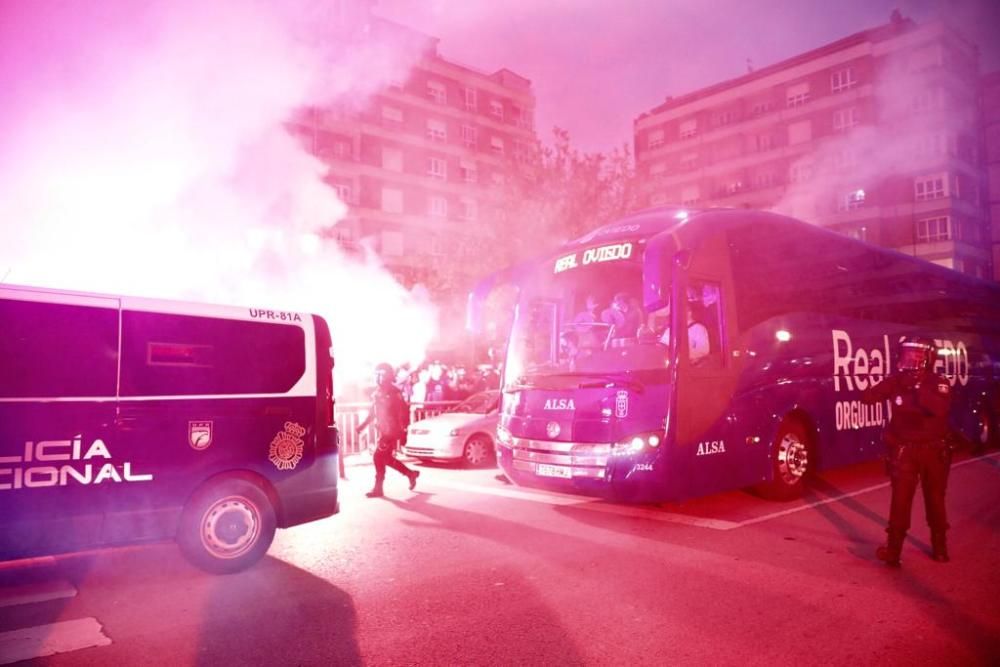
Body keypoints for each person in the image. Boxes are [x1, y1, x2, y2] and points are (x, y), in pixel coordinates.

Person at [861, 337, 954, 567]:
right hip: (905, 452)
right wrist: (880, 384)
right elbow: (868, 398)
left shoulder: (937, 381)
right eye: (908, 353)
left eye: (918, 354)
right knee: (900, 501)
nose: (912, 358)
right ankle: (893, 551)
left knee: (935, 499)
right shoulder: (897, 380)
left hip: (934, 452)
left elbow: (939, 409)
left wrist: (918, 386)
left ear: (929, 358)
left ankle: (940, 547)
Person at [356, 362, 419, 498]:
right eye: (377, 374)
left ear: (387, 376)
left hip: (391, 432)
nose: (377, 377)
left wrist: (403, 432)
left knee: (378, 457)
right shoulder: (378, 392)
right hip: (384, 430)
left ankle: (378, 489)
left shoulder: (394, 392)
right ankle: (410, 474)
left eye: (380, 374)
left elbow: (403, 412)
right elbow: (373, 413)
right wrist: (362, 426)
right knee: (387, 459)